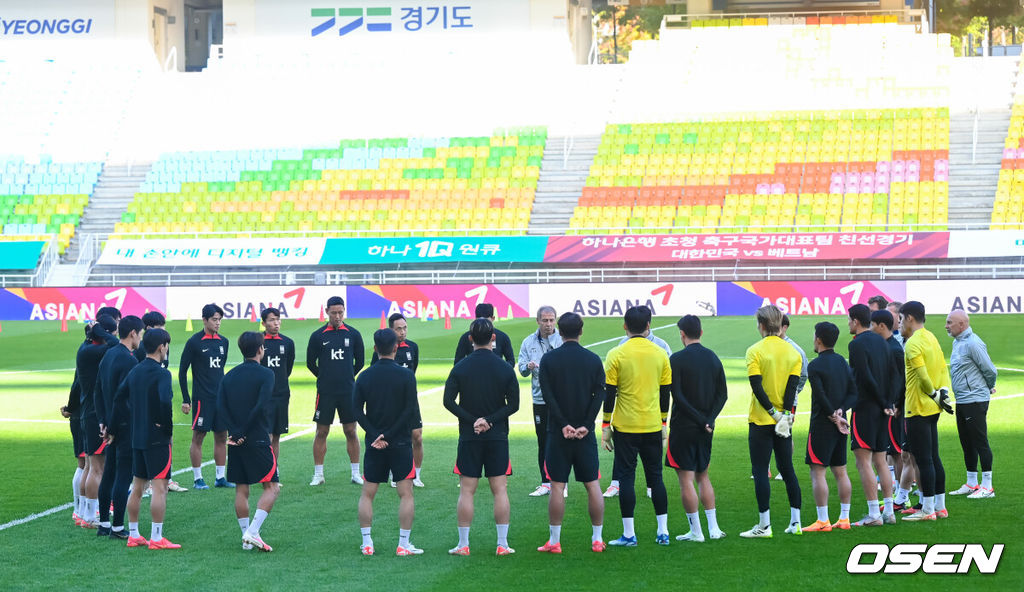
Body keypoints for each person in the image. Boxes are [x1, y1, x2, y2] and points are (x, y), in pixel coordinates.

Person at [443, 318, 520, 556]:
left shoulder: (460, 367)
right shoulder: (505, 368)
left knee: (467, 490)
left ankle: (463, 544)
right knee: (500, 489)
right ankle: (502, 544)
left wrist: (472, 420)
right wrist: (490, 421)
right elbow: (514, 405)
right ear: (494, 338)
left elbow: (448, 401)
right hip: (497, 436)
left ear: (470, 339)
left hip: (469, 435)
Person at [536, 312, 607, 553]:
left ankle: (555, 541)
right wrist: (586, 423)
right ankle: (597, 539)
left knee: (557, 485)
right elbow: (600, 394)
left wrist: (563, 423)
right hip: (584, 434)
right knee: (592, 484)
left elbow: (547, 396)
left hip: (558, 432)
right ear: (581, 330)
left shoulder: (549, 360)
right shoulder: (593, 359)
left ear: (558, 330)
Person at [602, 305, 672, 547]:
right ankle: (663, 532)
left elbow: (609, 394)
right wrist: (664, 422)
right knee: (656, 479)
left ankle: (629, 534)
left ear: (625, 326)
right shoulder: (661, 353)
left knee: (626, 480)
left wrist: (605, 426)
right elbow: (666, 393)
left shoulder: (616, 354)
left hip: (625, 427)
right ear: (649, 325)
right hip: (652, 425)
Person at [108, 328, 180, 549]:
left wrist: (115, 425)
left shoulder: (136, 370)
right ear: (162, 347)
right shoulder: (162, 373)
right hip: (156, 439)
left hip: (136, 436)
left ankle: (133, 534)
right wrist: (166, 428)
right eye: (167, 345)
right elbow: (165, 403)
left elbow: (119, 398)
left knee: (137, 486)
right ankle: (156, 538)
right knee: (160, 487)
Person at [355, 329, 423, 556]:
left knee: (367, 493)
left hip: (374, 444)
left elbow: (357, 410)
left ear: (375, 349)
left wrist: (376, 435)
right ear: (396, 348)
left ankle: (367, 543)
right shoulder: (406, 376)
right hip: (401, 442)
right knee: (405, 493)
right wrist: (391, 435)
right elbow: (409, 410)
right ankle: (403, 544)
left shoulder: (364, 376)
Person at [740, 304, 803, 538]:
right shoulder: (793, 353)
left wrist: (772, 412)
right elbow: (791, 389)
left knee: (759, 470)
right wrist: (784, 415)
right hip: (782, 421)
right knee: (788, 470)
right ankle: (795, 523)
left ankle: (765, 526)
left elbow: (757, 386)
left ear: (763, 325)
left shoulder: (754, 350)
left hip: (760, 420)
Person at [217, 332, 280, 552]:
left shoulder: (229, 375)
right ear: (261, 349)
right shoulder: (266, 374)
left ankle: (246, 540)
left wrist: (234, 432)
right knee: (272, 486)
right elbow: (261, 405)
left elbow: (220, 407)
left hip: (235, 440)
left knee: (241, 489)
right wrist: (244, 430)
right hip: (258, 437)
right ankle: (252, 532)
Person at [667, 315, 728, 543]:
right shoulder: (713, 358)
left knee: (686, 479)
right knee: (703, 476)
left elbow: (678, 396)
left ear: (682, 334)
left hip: (684, 426)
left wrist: (699, 418)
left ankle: (696, 531)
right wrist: (709, 419)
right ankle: (713, 528)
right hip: (706, 428)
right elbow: (723, 394)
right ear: (701, 332)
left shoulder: (677, 359)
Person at [899, 301, 954, 522]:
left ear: (910, 318)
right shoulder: (931, 337)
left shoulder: (912, 343)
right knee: (933, 457)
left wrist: (932, 393)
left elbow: (922, 376)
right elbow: (941, 369)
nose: (900, 324)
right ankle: (940, 507)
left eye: (901, 319)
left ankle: (928, 510)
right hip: (933, 408)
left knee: (924, 460)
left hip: (918, 408)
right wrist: (943, 394)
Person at [801, 322, 857, 532]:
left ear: (819, 339)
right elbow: (853, 393)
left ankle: (823, 520)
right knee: (841, 471)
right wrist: (842, 411)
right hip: (841, 425)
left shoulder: (814, 365)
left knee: (818, 472)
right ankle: (844, 519)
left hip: (822, 425)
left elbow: (820, 395)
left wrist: (833, 415)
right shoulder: (843, 362)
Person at [846, 304, 897, 526]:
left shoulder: (856, 344)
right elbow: (895, 375)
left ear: (856, 321)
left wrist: (881, 400)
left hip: (866, 407)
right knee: (881, 460)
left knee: (863, 461)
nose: (848, 324)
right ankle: (890, 512)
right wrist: (889, 402)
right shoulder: (882, 341)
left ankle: (874, 514)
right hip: (883, 409)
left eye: (849, 320)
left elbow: (864, 376)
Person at [308, 296, 365, 486]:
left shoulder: (354, 334)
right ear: (327, 312)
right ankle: (318, 474)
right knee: (322, 431)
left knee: (351, 430)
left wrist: (347, 375)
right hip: (325, 392)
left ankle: (356, 473)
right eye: (334, 313)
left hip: (348, 391)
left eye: (341, 312)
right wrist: (324, 376)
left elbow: (360, 362)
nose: (337, 316)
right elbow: (310, 363)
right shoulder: (318, 336)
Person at [94, 315, 143, 539]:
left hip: (109, 424)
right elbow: (123, 400)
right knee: (123, 476)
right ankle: (117, 527)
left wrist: (103, 423)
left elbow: (98, 392)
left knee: (108, 475)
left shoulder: (108, 355)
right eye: (140, 333)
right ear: (133, 333)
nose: (141, 338)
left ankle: (104, 524)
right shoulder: (130, 361)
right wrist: (112, 427)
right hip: (123, 426)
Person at [179, 303, 233, 490]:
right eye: (214, 319)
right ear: (204, 320)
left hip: (221, 398)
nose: (218, 323)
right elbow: (182, 371)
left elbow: (220, 369)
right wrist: (186, 399)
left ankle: (220, 477)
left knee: (221, 436)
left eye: (220, 320)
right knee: (199, 437)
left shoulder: (224, 342)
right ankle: (197, 478)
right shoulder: (194, 342)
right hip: (202, 398)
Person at [945, 309, 997, 499]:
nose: (946, 326)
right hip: (963, 399)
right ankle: (972, 482)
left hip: (975, 399)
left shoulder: (973, 343)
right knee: (967, 443)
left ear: (962, 324)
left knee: (980, 442)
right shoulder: (957, 342)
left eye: (950, 322)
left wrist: (989, 386)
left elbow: (990, 369)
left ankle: (988, 486)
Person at [371, 313, 425, 488]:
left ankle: (416, 474)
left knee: (417, 437)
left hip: (410, 401)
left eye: (405, 328)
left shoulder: (413, 347)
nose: (402, 332)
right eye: (398, 329)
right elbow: (375, 373)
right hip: (391, 402)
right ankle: (396, 473)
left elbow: (413, 370)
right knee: (393, 436)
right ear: (391, 330)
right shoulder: (383, 350)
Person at [136, 311, 187, 493]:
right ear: (149, 328)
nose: (164, 330)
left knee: (167, 441)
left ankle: (167, 478)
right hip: (148, 406)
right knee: (151, 443)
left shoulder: (164, 347)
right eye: (160, 327)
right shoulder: (142, 350)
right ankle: (149, 483)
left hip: (163, 399)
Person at [76, 314, 119, 527]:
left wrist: (98, 331)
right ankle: (91, 516)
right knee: (97, 468)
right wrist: (103, 333)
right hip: (95, 415)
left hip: (87, 412)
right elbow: (117, 345)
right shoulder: (95, 351)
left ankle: (85, 513)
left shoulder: (85, 349)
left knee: (90, 467)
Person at [518, 305, 563, 497]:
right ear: (538, 321)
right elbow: (520, 369)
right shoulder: (528, 342)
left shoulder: (562, 340)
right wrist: (527, 366)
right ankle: (545, 482)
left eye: (552, 320)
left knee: (561, 440)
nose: (548, 324)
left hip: (561, 400)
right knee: (543, 441)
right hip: (540, 399)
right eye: (545, 320)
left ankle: (561, 483)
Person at [870, 310, 913, 507]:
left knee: (897, 453)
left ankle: (901, 497)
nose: (870, 328)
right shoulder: (885, 346)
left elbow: (900, 380)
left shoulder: (894, 350)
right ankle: (899, 496)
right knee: (894, 452)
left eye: (872, 324)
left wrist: (895, 403)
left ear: (881, 325)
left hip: (893, 408)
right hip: (888, 406)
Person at [62, 324, 92, 525]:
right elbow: (76, 386)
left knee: (88, 465)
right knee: (85, 464)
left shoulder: (87, 352)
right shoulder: (87, 354)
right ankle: (80, 509)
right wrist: (72, 408)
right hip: (82, 416)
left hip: (81, 414)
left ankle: (83, 509)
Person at [259, 308, 295, 465]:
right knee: (267, 435)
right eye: (271, 320)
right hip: (264, 396)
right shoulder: (258, 342)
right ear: (263, 323)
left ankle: (274, 469)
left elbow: (288, 369)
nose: (276, 323)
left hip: (282, 394)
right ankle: (266, 469)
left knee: (277, 434)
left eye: (277, 319)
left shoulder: (287, 343)